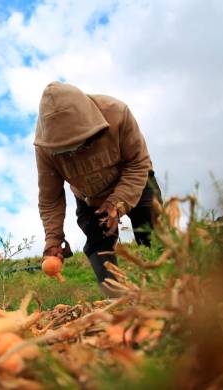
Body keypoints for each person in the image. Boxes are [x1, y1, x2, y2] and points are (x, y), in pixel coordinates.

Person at [34, 82, 162, 296]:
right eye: (67, 150)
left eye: (79, 144)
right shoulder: (45, 147)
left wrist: (117, 203)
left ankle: (169, 290)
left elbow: (138, 164)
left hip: (134, 180)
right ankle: (117, 300)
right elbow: (51, 198)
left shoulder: (117, 114)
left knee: (155, 235)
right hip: (88, 196)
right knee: (98, 244)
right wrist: (53, 239)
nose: (75, 153)